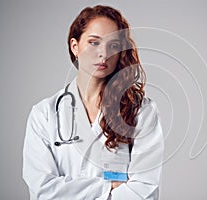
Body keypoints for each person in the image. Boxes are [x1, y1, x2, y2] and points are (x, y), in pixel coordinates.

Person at [22, 5, 164, 200]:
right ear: (75, 46)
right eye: (94, 42)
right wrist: (107, 186)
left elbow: (145, 188)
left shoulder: (141, 111)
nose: (103, 54)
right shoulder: (44, 114)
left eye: (113, 45)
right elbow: (42, 190)